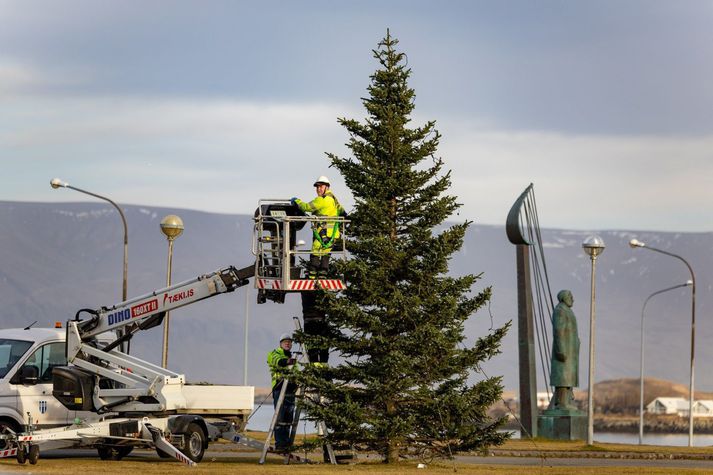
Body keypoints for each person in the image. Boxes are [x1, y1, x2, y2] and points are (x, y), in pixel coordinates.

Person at [291, 176, 345, 279]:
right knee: (325, 253)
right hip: (333, 233)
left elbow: (307, 207)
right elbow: (341, 210)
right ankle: (322, 276)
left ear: (327, 187)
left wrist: (296, 201)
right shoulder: (333, 198)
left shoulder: (322, 200)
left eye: (321, 186)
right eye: (317, 187)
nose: (318, 189)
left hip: (323, 232)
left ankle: (312, 276)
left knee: (315, 251)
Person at [549, 289, 580, 410]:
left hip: (570, 350)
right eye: (570, 296)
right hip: (564, 351)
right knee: (563, 378)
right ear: (564, 297)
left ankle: (567, 401)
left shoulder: (567, 311)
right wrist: (560, 349)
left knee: (568, 378)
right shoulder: (560, 311)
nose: (573, 299)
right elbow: (558, 331)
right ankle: (562, 403)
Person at [267, 333, 298, 451]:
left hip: (290, 389)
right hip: (280, 388)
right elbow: (277, 361)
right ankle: (280, 443)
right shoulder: (274, 353)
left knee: (289, 418)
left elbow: (296, 372)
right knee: (280, 416)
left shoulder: (292, 357)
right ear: (280, 343)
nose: (287, 343)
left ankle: (286, 443)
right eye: (285, 341)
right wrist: (287, 362)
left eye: (289, 342)